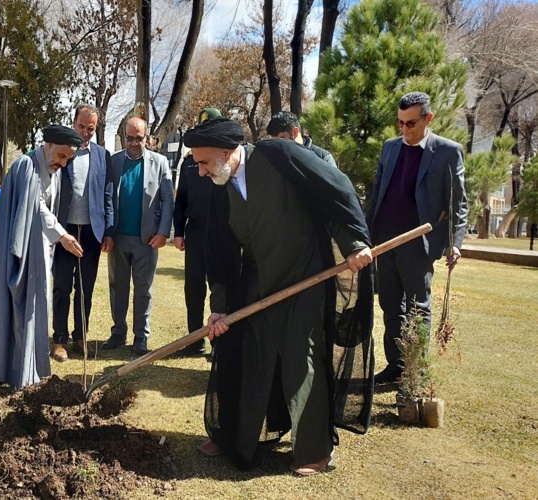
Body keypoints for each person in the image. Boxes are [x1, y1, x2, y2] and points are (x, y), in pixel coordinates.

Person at [183, 118, 375, 475]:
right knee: (244, 354)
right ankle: (233, 436)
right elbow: (220, 254)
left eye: (204, 162)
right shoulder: (219, 188)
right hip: (257, 284)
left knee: (301, 357)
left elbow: (333, 192)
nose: (201, 171)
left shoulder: (279, 155)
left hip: (304, 277)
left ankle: (315, 451)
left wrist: (354, 244)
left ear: (226, 152)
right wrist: (219, 309)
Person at [366, 91, 467, 384]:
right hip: (385, 240)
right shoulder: (389, 148)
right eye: (400, 122)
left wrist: (454, 244)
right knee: (389, 305)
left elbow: (458, 202)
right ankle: (396, 366)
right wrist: (367, 233)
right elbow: (377, 193)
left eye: (411, 123)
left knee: (417, 308)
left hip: (419, 242)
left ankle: (416, 372)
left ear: (428, 119)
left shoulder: (448, 151)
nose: (405, 129)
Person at [0, 125, 84, 389]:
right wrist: (63, 235)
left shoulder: (54, 169)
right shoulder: (26, 166)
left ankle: (26, 366)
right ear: (48, 146)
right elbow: (36, 207)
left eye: (68, 159)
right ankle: (4, 368)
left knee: (35, 308)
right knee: (14, 306)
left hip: (40, 249)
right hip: (19, 252)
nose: (63, 163)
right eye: (61, 156)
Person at [101, 116, 174, 355]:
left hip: (147, 239)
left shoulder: (160, 163)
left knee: (144, 289)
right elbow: (107, 198)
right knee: (117, 287)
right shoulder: (113, 162)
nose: (134, 143)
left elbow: (167, 200)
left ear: (147, 138)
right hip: (118, 238)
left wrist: (163, 232)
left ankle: (141, 337)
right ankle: (118, 332)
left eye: (139, 138)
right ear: (124, 137)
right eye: (130, 138)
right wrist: (107, 232)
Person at [50, 105, 114, 362]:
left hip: (91, 233)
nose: (85, 132)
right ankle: (60, 340)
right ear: (73, 123)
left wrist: (108, 231)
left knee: (85, 289)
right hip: (64, 231)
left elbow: (108, 195)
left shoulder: (103, 156)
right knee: (62, 287)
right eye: (81, 127)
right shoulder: (63, 152)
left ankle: (80, 336)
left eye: (91, 128)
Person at [172, 107, 223, 356]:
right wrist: (178, 231)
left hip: (220, 233)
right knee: (193, 288)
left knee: (219, 288)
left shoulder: (224, 157)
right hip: (195, 231)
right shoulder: (189, 161)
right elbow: (181, 198)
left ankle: (218, 344)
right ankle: (195, 340)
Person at [266, 111, 337, 168]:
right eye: (274, 141)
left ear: (295, 132)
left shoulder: (323, 158)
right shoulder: (274, 160)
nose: (278, 145)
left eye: (281, 139)